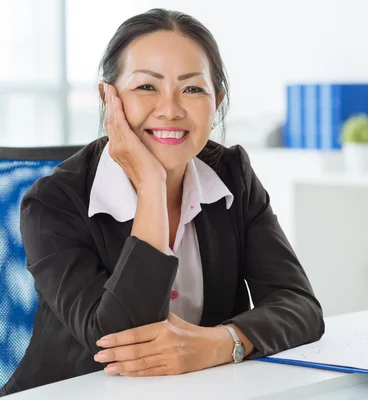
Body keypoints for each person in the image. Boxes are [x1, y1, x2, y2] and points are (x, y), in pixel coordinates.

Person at [0, 8, 324, 396]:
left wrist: (223, 343)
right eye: (146, 87)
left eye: (192, 89)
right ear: (109, 97)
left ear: (216, 100)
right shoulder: (52, 201)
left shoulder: (232, 175)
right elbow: (123, 344)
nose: (170, 109)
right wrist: (151, 188)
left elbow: (300, 306)